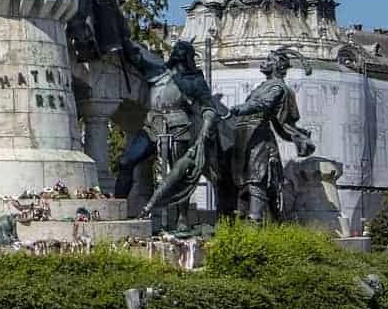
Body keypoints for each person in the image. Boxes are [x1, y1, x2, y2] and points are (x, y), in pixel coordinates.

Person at [114, 39, 229, 233]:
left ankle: (182, 218)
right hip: (152, 125)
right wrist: (121, 40)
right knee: (126, 161)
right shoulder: (157, 71)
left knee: (179, 176)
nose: (177, 52)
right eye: (177, 49)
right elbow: (136, 59)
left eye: (182, 50)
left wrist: (205, 128)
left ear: (187, 57)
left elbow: (208, 107)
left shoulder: (195, 80)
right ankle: (117, 207)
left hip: (178, 128)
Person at [227, 47, 316, 224]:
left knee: (257, 180)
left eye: (269, 60)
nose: (264, 62)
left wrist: (241, 108)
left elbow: (264, 104)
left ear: (277, 65)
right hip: (244, 136)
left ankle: (256, 222)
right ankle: (252, 223)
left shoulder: (278, 87)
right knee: (243, 183)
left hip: (259, 138)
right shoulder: (263, 86)